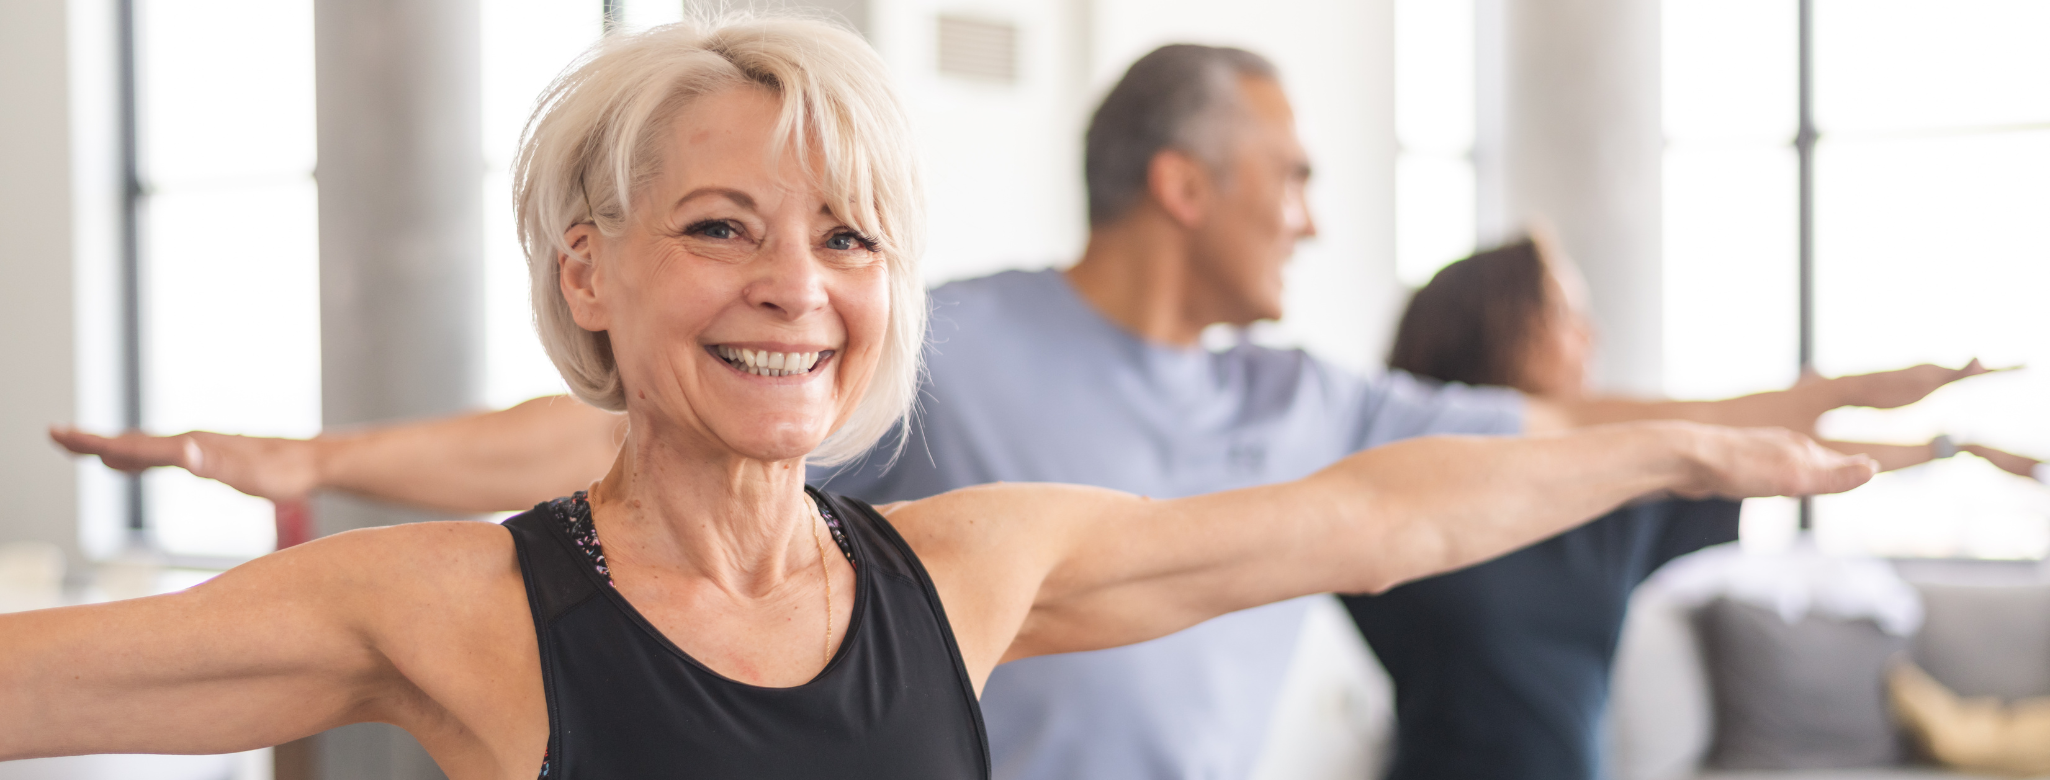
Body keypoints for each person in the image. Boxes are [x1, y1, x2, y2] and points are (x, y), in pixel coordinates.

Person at [47, 41, 1972, 780]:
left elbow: (1380, 510)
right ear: (591, 275)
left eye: (846, 234)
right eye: (720, 227)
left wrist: (1699, 449)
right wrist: (319, 466)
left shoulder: (965, 569)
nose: (797, 281)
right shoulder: (463, 607)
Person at [1345, 236, 2034, 780]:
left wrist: (1950, 447)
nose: (1592, 337)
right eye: (1563, 313)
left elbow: (1777, 449)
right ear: (1494, 330)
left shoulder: (1611, 497)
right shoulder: (1397, 491)